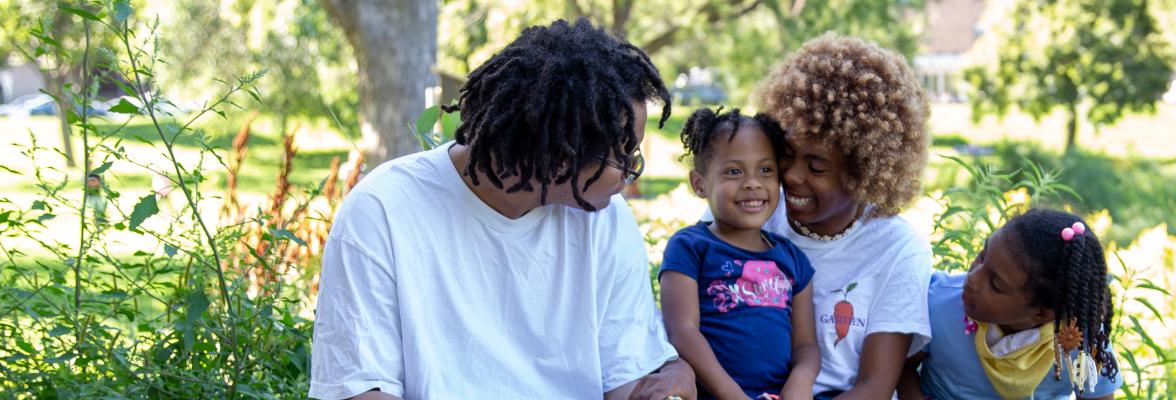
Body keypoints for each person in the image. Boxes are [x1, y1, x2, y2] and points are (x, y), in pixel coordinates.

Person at [308, 19, 695, 400]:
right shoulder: (383, 211)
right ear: (562, 158)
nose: (631, 172)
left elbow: (624, 380)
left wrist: (662, 388)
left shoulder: (607, 220)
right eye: (624, 156)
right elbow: (359, 390)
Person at [752, 33, 934, 399]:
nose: (790, 175)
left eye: (816, 167)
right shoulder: (753, 210)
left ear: (863, 173)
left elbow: (875, 386)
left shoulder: (898, 249)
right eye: (787, 154)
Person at [661, 108, 819, 400]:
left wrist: (801, 381)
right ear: (700, 184)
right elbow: (682, 331)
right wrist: (734, 396)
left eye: (766, 170)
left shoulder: (793, 260)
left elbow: (805, 346)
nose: (753, 183)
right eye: (734, 171)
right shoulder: (691, 247)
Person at [898, 208, 1123, 399]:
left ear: (1042, 314)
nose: (973, 279)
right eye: (982, 256)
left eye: (996, 285)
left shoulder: (1078, 342)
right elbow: (901, 366)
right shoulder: (940, 302)